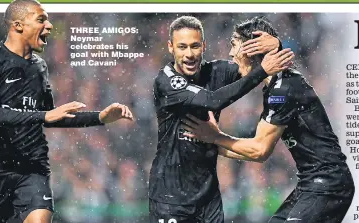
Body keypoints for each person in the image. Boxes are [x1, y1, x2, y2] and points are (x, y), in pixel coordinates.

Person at [0, 0, 134, 222]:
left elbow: (52, 116)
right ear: (18, 25)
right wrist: (44, 115)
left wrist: (99, 117)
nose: (49, 26)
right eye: (41, 19)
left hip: (32, 169)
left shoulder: (39, 66)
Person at [181, 16, 355, 223]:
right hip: (311, 183)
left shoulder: (284, 89)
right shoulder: (277, 87)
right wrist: (210, 144)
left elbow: (259, 150)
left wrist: (215, 138)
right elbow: (256, 151)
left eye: (234, 45)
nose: (230, 53)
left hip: (329, 184)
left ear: (252, 49)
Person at [149, 15, 294, 223]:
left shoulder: (215, 72)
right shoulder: (166, 82)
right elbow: (212, 100)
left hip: (209, 200)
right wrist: (262, 71)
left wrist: (277, 45)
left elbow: (259, 65)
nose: (189, 54)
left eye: (194, 46)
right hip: (171, 199)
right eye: (182, 47)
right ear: (171, 47)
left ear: (204, 45)